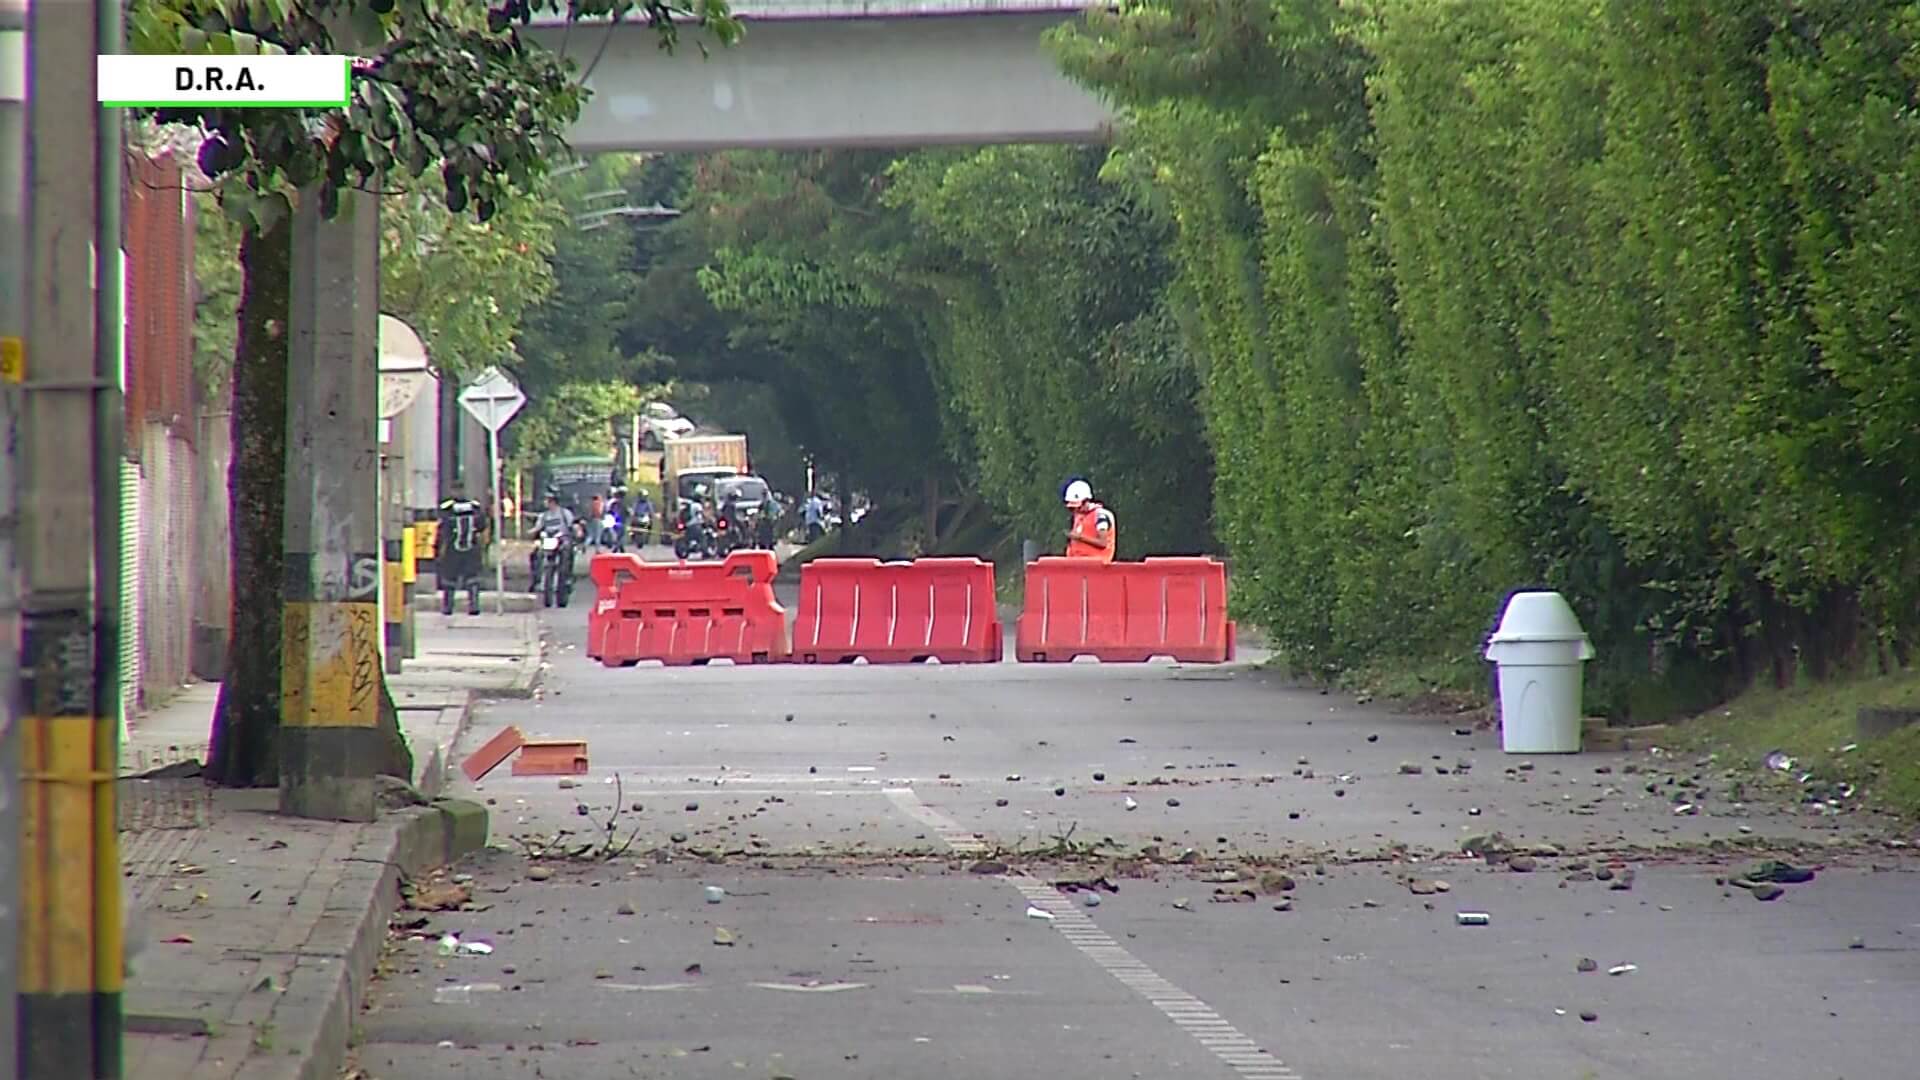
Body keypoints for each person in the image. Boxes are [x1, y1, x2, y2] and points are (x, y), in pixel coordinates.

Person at [435, 484, 490, 615]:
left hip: (452, 548)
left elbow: (442, 530)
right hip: (471, 547)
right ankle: (474, 606)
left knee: (450, 579)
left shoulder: (447, 508)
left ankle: (448, 607)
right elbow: (482, 526)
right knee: (472, 578)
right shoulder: (474, 507)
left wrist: (438, 549)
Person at [1062, 478, 1116, 563]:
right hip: (1078, 564)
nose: (1076, 511)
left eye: (1077, 507)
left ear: (1086, 501)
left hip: (1095, 566)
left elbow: (1103, 543)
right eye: (1072, 509)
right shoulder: (1079, 518)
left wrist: (1080, 538)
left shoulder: (1100, 516)